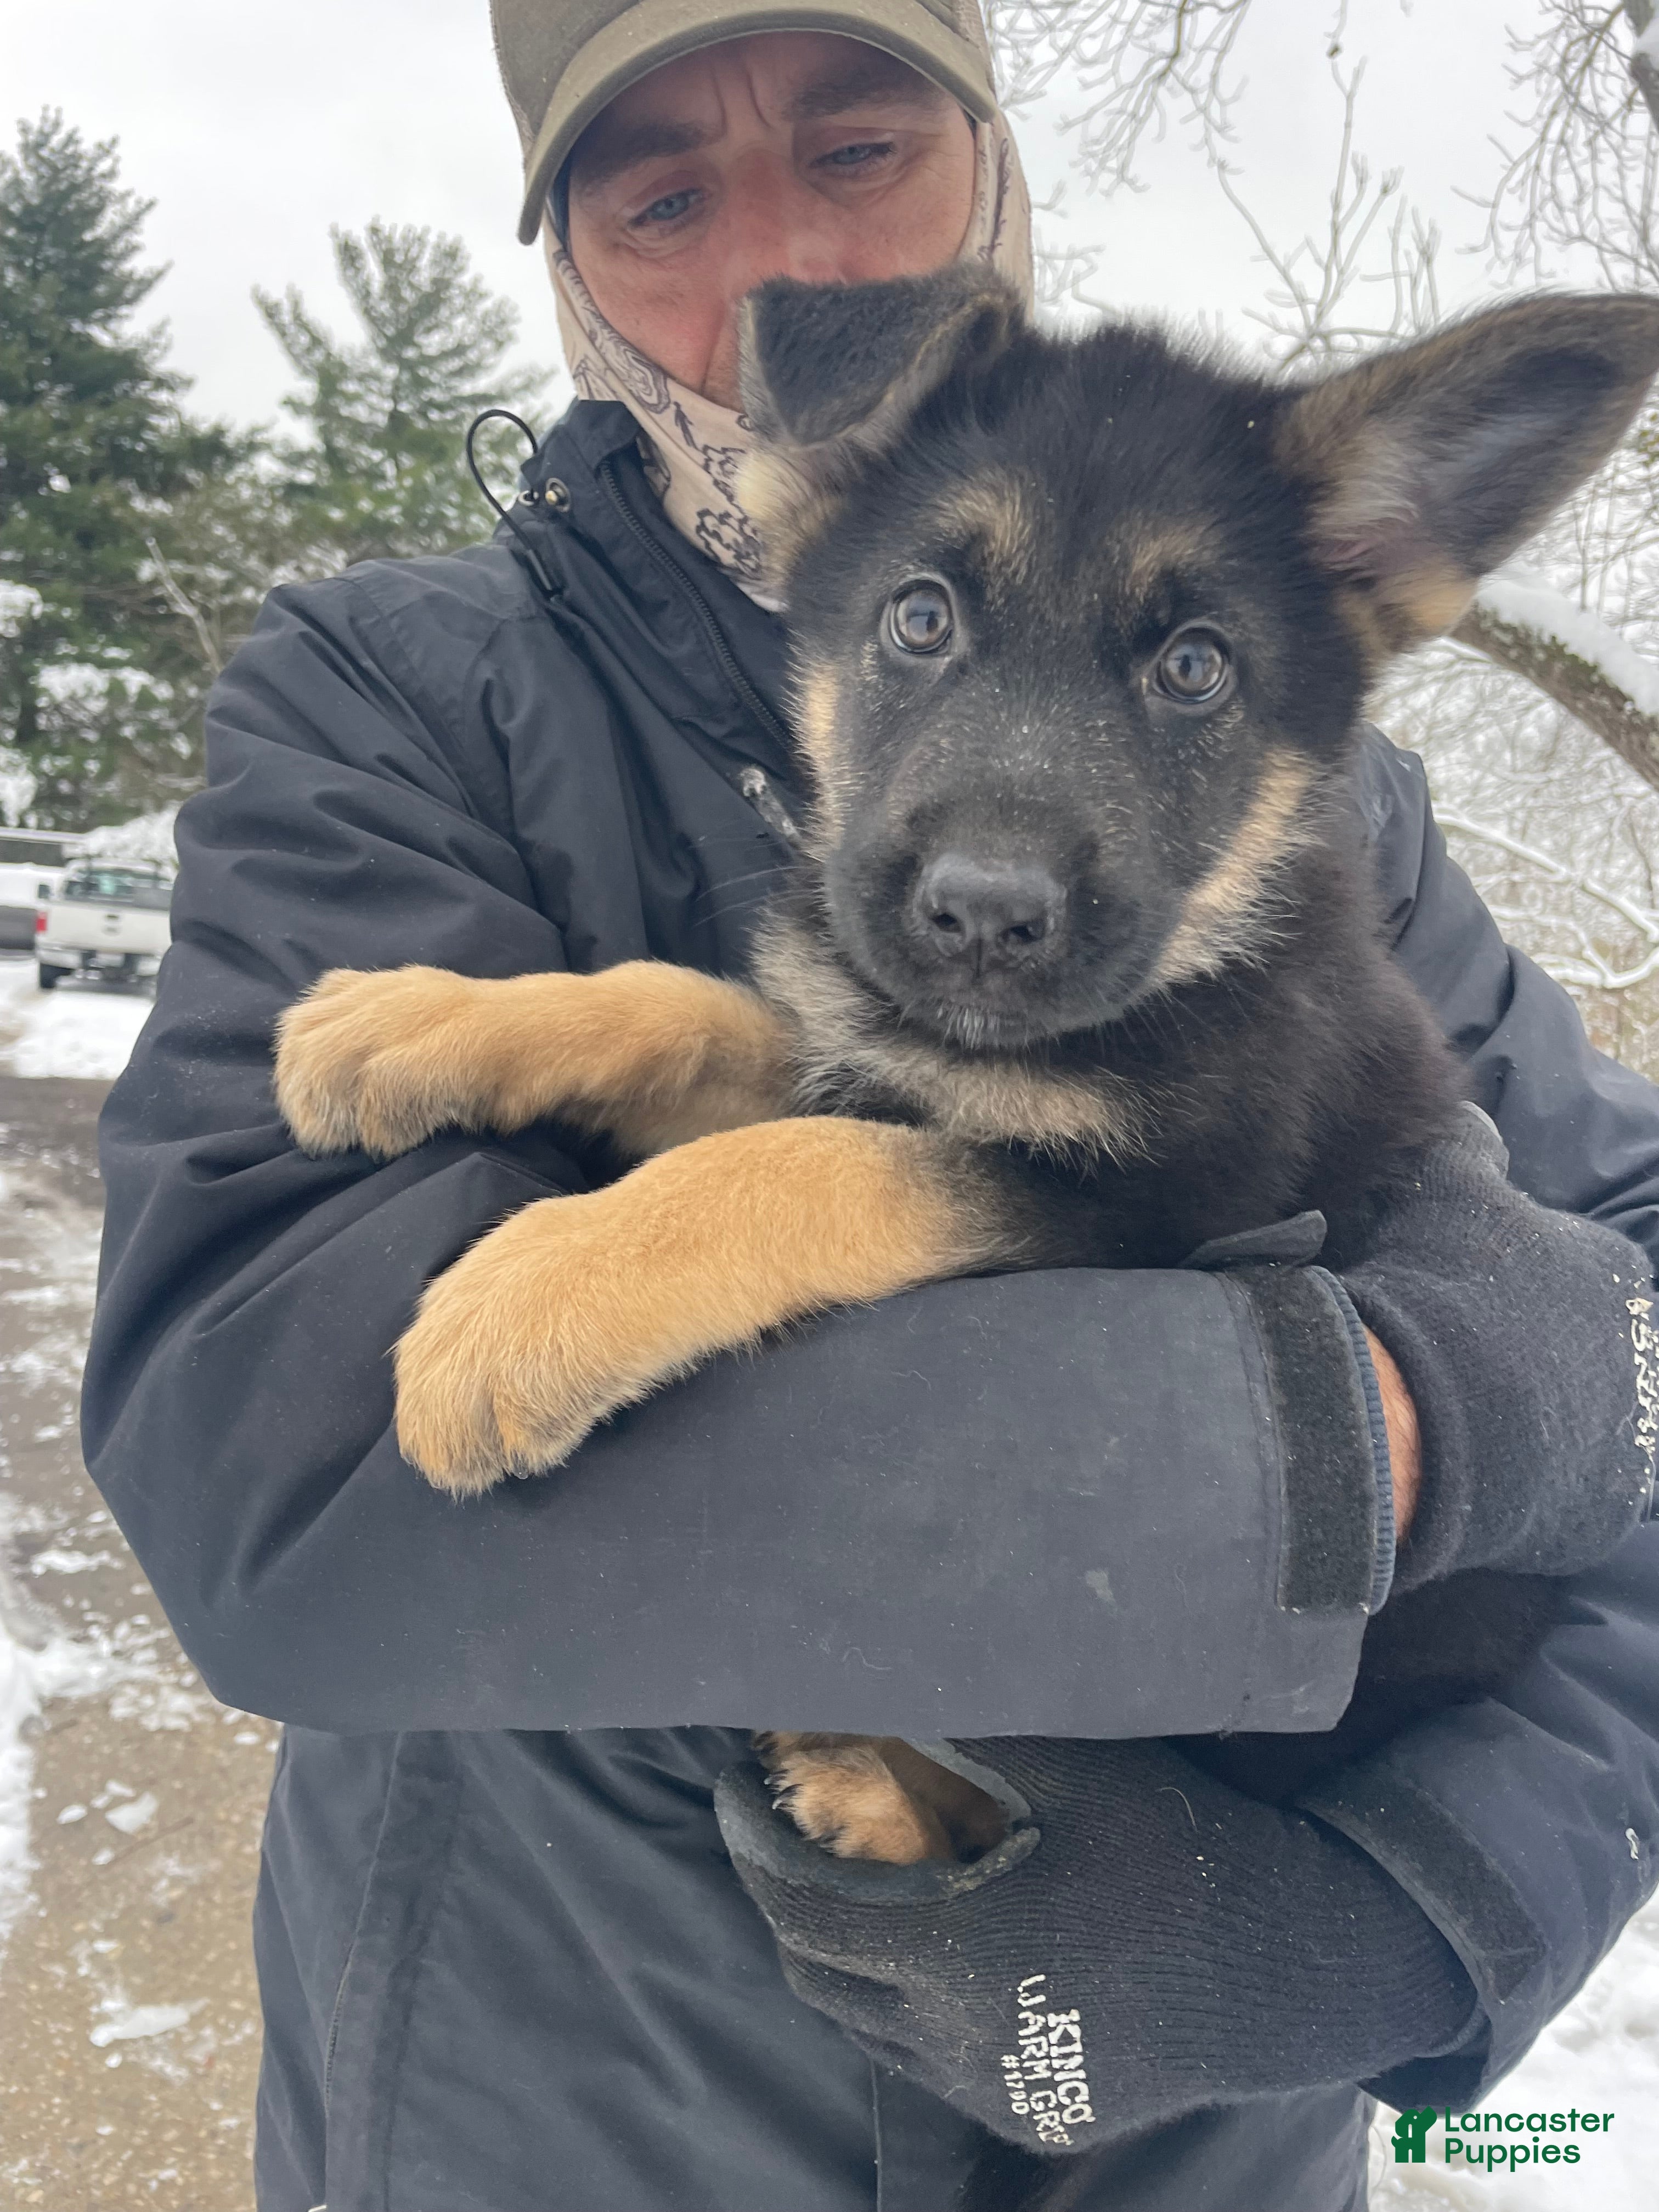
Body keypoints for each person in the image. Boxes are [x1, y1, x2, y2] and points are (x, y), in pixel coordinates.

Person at [80, 4, 1659, 2208]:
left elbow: (1629, 1329)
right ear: (563, 259)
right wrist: (1380, 1421)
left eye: (855, 146)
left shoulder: (1356, 830)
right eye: (660, 195)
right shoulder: (389, 693)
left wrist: (1434, 1901)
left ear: (994, 174)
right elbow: (280, 1461)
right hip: (564, 2123)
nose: (762, 282)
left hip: (1205, 2124)